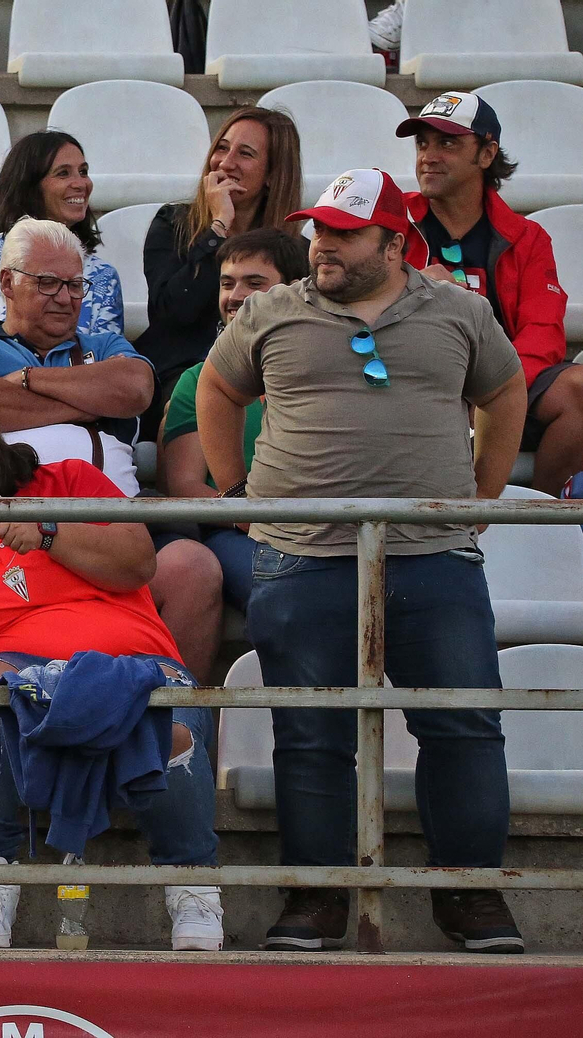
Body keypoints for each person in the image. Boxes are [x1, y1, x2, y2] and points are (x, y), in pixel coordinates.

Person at [196, 168, 529, 953]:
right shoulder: (271, 311)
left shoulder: (460, 311)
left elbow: (507, 394)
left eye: (344, 234)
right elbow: (215, 389)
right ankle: (316, 900)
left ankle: (471, 896)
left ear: (394, 240)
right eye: (320, 232)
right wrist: (238, 492)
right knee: (311, 734)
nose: (323, 247)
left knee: (464, 725)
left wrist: (478, 500)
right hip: (303, 554)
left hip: (431, 554)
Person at [0, 393, 222, 952]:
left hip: (134, 658)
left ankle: (192, 884)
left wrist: (49, 530)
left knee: (172, 726)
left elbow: (137, 563)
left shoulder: (67, 480)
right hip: (16, 668)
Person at [0, 216, 223, 681]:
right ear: (7, 282)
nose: (66, 298)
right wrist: (85, 402)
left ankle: (182, 730)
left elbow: (134, 390)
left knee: (194, 568)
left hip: (119, 523)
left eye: (75, 285)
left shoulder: (103, 343)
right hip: (7, 531)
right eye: (48, 283)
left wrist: (28, 381)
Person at [395, 92, 576, 497]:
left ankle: (537, 516)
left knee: (578, 391)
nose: (428, 156)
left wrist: (498, 386)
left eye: (448, 143)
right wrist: (414, 285)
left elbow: (543, 331)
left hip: (502, 384)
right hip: (406, 378)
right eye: (422, 143)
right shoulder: (390, 220)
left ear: (486, 154)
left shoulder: (527, 238)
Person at [158, 228, 309, 615]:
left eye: (254, 283)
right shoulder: (197, 380)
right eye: (227, 283)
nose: (235, 296)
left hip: (322, 534)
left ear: (295, 289)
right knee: (294, 596)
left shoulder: (325, 371)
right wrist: (256, 515)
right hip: (236, 535)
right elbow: (185, 486)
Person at [135, 106, 303, 440]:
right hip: (183, 375)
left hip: (267, 377)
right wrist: (218, 228)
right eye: (222, 148)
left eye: (246, 154)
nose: (225, 163)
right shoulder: (172, 224)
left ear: (273, 173)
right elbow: (171, 312)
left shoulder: (295, 250)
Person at [0, 130, 123, 337]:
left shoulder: (103, 276)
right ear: (30, 186)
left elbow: (110, 362)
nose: (81, 184)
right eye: (63, 173)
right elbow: (8, 341)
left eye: (83, 172)